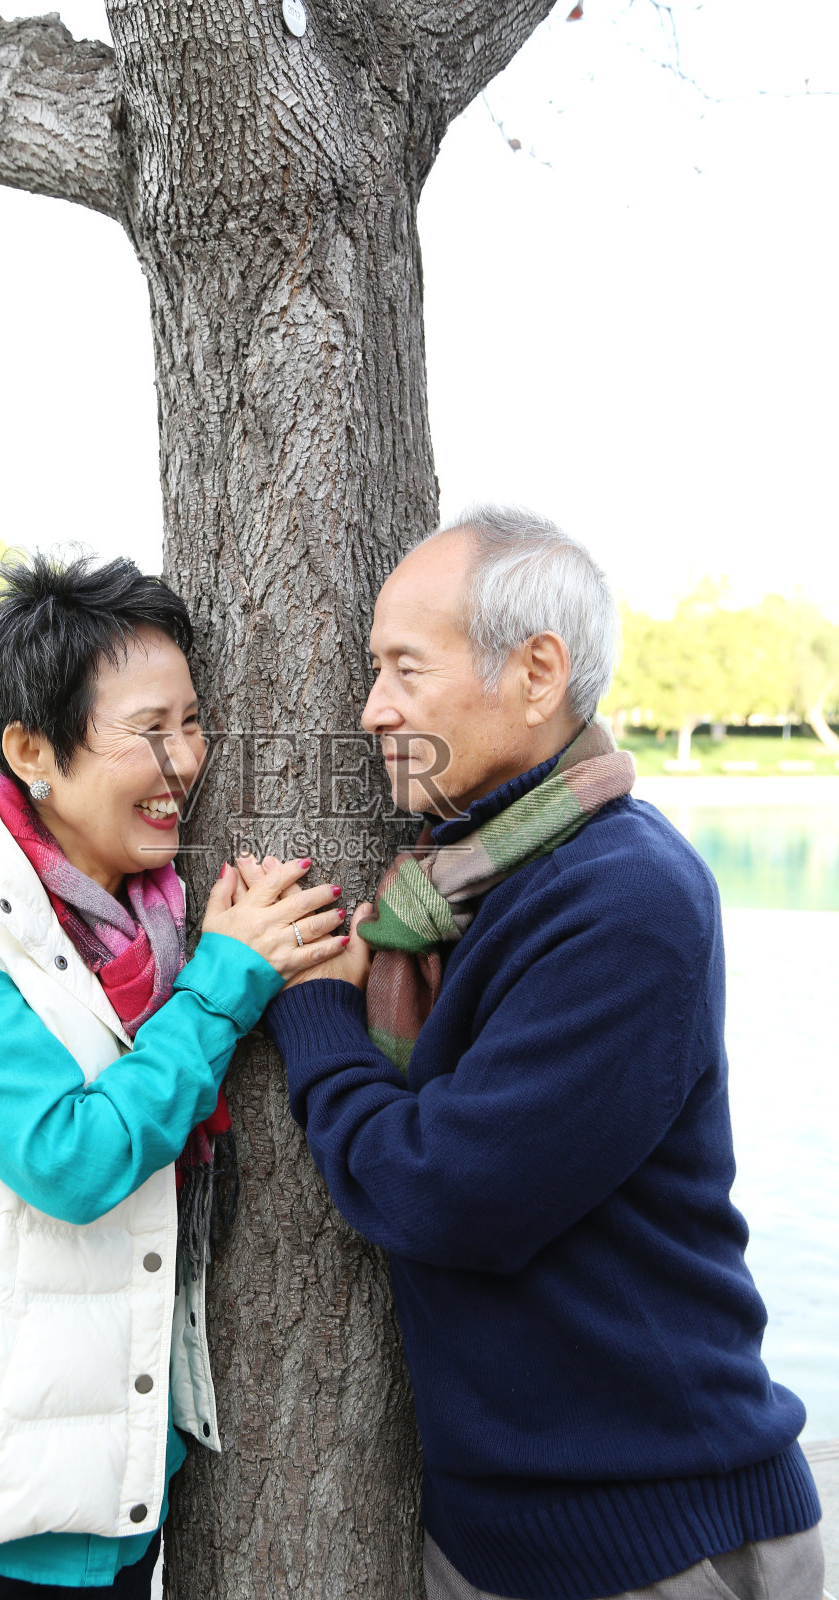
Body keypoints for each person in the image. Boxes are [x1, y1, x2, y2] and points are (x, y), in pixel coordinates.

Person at [252, 506, 825, 1600]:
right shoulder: (469, 882)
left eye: (402, 670)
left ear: (535, 672)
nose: (371, 709)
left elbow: (444, 1192)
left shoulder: (622, 897)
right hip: (524, 1534)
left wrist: (319, 1017)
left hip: (652, 1537)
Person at [0, 550, 348, 1598]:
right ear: (31, 746)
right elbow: (70, 1158)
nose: (186, 762)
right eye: (147, 730)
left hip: (104, 1515)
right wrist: (226, 982)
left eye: (192, 722)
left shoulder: (158, 918)